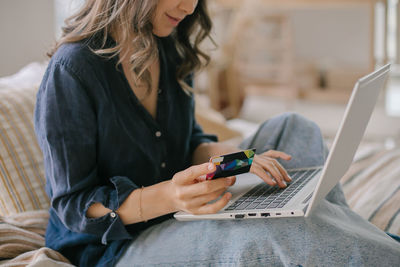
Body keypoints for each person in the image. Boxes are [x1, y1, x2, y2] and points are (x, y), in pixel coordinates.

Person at [34, 0, 400, 266]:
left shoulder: (169, 46)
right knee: (269, 230)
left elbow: (190, 143)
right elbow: (73, 205)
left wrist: (242, 161)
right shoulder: (73, 70)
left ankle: (350, 241)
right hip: (117, 248)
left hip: (183, 212)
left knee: (294, 128)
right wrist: (171, 197)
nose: (190, 6)